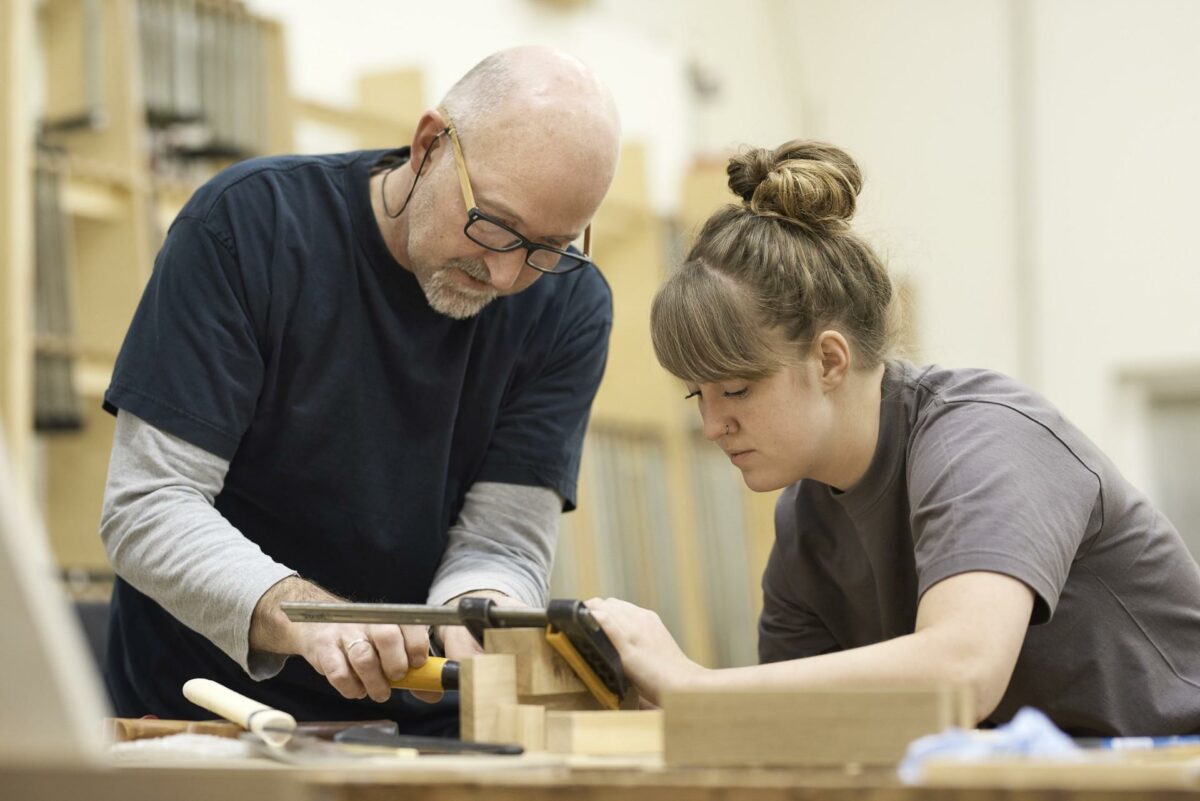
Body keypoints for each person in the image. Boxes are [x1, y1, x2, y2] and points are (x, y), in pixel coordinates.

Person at [587, 140, 1200, 736]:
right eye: (699, 395)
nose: (712, 425)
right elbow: (804, 736)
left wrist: (694, 687)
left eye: (737, 390)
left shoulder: (984, 439)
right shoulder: (806, 524)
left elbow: (963, 671)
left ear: (829, 360)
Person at [99, 46, 621, 734]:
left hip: (417, 725)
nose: (502, 273)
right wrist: (314, 620)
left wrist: (480, 615)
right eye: (492, 223)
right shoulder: (246, 228)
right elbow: (148, 504)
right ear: (430, 143)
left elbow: (504, 541)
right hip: (205, 714)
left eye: (546, 247)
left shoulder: (568, 303)